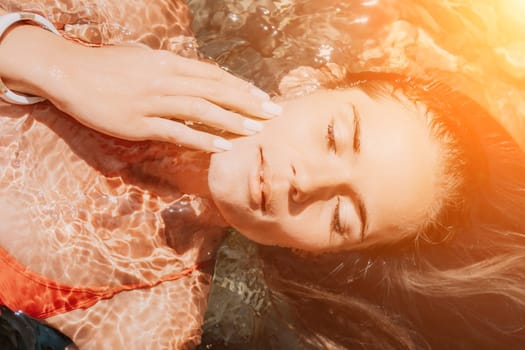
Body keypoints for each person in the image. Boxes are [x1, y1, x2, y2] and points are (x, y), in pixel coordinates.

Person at [1, 2, 525, 350]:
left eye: (342, 216)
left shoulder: (148, 321)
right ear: (305, 83)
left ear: (315, 251)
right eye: (333, 138)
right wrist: (51, 61)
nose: (309, 182)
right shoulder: (135, 13)